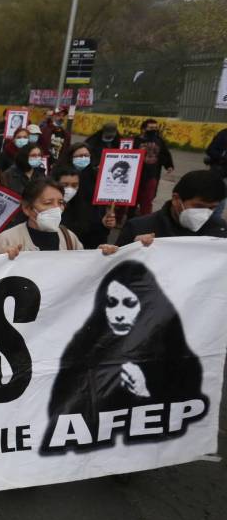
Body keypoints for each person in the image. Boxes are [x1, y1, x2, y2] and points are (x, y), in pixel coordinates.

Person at [41, 261, 205, 453]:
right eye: (112, 303)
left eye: (129, 303)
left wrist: (144, 394)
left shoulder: (178, 356)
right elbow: (56, 404)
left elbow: (181, 412)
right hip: (83, 446)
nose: (119, 314)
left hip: (131, 449)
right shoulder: (82, 346)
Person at [113, 169, 227, 246]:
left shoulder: (220, 230)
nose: (205, 213)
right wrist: (132, 249)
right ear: (176, 199)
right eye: (198, 206)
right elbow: (115, 268)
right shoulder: (138, 228)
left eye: (212, 208)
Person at [0, 179, 85, 258]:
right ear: (27, 208)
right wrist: (1, 258)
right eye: (48, 203)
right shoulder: (7, 239)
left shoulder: (68, 236)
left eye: (60, 203)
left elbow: (82, 269)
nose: (57, 208)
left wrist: (98, 256)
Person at [52, 163, 111, 250]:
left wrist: (104, 225)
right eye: (65, 185)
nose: (70, 189)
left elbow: (91, 233)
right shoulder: (45, 206)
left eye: (74, 185)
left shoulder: (85, 206)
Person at [132, 118, 174, 216]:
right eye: (151, 128)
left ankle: (145, 218)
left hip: (152, 174)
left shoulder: (159, 141)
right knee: (134, 198)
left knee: (148, 198)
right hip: (136, 175)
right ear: (143, 129)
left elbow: (164, 153)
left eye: (155, 128)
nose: (154, 130)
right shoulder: (135, 140)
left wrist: (169, 165)